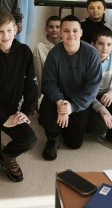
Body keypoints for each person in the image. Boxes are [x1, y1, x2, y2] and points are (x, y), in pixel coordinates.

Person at [0, 11, 37, 182]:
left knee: (29, 139)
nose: (6, 36)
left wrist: (24, 112)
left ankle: (8, 155)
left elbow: (31, 85)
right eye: (1, 31)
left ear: (16, 29)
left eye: (9, 30)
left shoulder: (24, 52)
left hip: (11, 110)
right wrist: (2, 119)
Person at [39, 15, 102, 161]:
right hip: (58, 98)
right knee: (45, 113)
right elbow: (48, 83)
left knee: (74, 143)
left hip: (79, 100)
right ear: (60, 33)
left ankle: (69, 124)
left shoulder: (91, 53)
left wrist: (71, 107)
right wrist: (60, 102)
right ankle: (53, 138)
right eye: (66, 31)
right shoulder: (54, 53)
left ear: (81, 32)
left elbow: (92, 88)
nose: (71, 34)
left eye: (75, 31)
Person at [33, 15, 61, 99]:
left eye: (58, 27)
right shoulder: (39, 48)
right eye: (51, 27)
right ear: (46, 29)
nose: (54, 30)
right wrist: (37, 98)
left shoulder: (66, 46)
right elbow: (37, 75)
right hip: (48, 91)